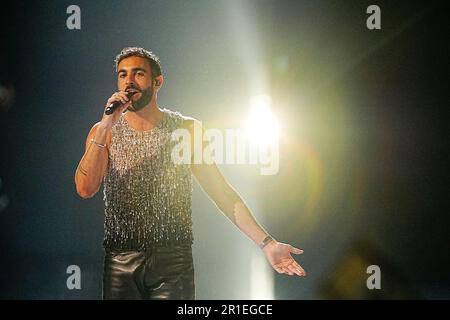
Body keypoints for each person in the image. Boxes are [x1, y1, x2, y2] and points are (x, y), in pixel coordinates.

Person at [74, 47, 306, 300]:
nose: (129, 81)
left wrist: (267, 243)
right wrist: (107, 125)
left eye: (138, 73)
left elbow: (221, 193)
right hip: (120, 260)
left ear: (157, 82)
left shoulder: (186, 130)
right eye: (122, 75)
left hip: (172, 261)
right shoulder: (102, 131)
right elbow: (85, 188)